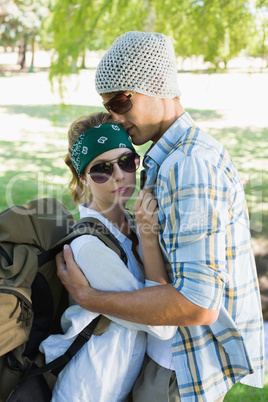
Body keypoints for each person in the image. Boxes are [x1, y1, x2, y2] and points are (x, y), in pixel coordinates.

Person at [56, 32, 264, 401]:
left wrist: (89, 298)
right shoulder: (168, 158)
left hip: (181, 370)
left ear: (154, 86)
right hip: (169, 362)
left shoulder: (189, 166)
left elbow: (198, 305)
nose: (115, 118)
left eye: (120, 102)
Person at [40, 112, 177, 402]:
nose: (119, 176)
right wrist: (149, 239)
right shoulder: (89, 245)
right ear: (83, 178)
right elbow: (163, 325)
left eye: (126, 162)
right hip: (88, 391)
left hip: (118, 388)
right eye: (101, 169)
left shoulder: (133, 222)